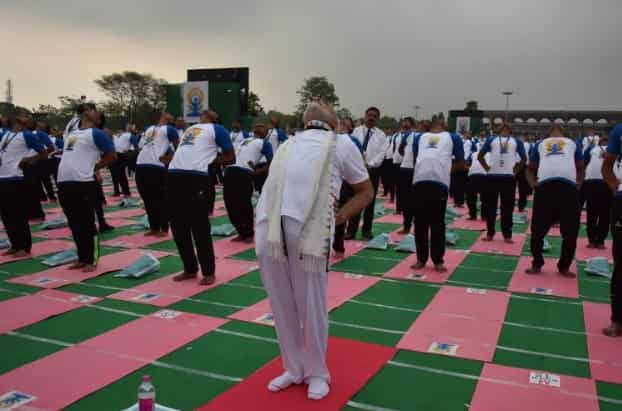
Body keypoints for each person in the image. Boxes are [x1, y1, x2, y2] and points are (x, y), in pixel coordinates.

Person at [255, 102, 372, 400]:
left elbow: (365, 191)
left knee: (312, 304)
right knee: (281, 304)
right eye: (312, 107)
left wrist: (341, 216)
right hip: (269, 227)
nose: (315, 108)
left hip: (310, 231)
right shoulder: (287, 144)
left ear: (333, 121)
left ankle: (318, 372)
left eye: (322, 108)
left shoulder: (342, 143)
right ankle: (293, 368)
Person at [167, 110, 235, 286]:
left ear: (215, 118)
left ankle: (208, 271)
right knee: (177, 226)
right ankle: (189, 268)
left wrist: (210, 160)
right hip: (174, 176)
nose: (206, 111)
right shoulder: (191, 128)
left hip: (196, 179)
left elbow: (230, 157)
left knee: (199, 226)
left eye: (211, 111)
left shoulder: (217, 129)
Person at [57, 106, 116, 272]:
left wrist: (93, 167)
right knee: (74, 223)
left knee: (87, 223)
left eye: (95, 111)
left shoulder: (96, 133)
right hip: (64, 183)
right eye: (91, 109)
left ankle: (92, 259)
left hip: (83, 183)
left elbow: (112, 156)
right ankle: (82, 257)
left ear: (97, 119)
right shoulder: (72, 133)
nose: (93, 111)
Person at [525, 124, 584, 277]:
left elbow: (580, 166)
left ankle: (564, 265)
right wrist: (533, 184)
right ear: (549, 133)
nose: (556, 129)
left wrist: (578, 183)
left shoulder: (572, 143)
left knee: (571, 230)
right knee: (537, 229)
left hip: (568, 188)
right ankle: (537, 262)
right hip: (545, 187)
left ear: (563, 133)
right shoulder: (540, 144)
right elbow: (530, 168)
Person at [411, 118, 465, 272]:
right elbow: (417, 158)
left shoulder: (453, 137)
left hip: (439, 184)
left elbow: (460, 162)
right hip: (420, 181)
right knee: (420, 223)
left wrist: (444, 172)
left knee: (437, 224)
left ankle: (437, 260)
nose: (438, 124)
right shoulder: (419, 137)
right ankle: (421, 259)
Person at [0, 113, 47, 257]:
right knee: (6, 215)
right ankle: (14, 244)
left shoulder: (28, 135)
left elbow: (44, 152)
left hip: (16, 178)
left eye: (27, 116)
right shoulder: (6, 135)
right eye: (22, 115)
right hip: (2, 178)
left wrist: (28, 159)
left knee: (18, 214)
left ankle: (24, 246)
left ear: (29, 122)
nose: (24, 117)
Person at [224, 120, 273, 243]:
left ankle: (249, 233)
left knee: (243, 204)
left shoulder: (264, 143)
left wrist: (258, 172)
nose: (258, 128)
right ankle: (241, 231)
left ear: (266, 132)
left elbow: (272, 161)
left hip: (244, 173)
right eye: (256, 126)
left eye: (261, 126)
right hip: (230, 170)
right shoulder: (244, 140)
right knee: (230, 204)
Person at [478, 124, 527, 242]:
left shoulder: (516, 142)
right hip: (493, 176)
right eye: (502, 128)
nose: (503, 129)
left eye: (505, 128)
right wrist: (487, 169)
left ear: (510, 131)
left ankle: (507, 235)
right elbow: (480, 156)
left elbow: (524, 158)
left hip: (507, 177)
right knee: (492, 207)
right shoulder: (492, 139)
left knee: (507, 208)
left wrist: (515, 171)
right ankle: (491, 233)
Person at [136, 113, 179, 237]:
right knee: (147, 198)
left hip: (156, 167)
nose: (169, 119)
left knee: (159, 198)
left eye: (171, 118)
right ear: (161, 117)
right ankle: (154, 227)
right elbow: (142, 146)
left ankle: (164, 228)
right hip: (141, 164)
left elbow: (179, 147)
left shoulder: (169, 129)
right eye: (167, 117)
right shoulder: (149, 129)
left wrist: (170, 158)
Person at [349, 107, 387, 239]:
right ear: (365, 116)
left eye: (374, 116)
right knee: (354, 200)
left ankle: (367, 230)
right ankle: (351, 231)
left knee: (370, 202)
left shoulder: (381, 135)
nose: (371, 118)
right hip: (356, 170)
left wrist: (370, 164)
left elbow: (382, 153)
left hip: (372, 171)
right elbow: (350, 148)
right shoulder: (355, 131)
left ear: (377, 119)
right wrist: (358, 164)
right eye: (369, 115)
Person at [602, 123, 622, 336]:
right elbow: (607, 166)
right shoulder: (619, 131)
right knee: (620, 262)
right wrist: (614, 186)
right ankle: (617, 320)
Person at [333, 116, 363, 256]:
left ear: (351, 128)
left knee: (346, 210)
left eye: (346, 124)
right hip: (335, 181)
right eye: (341, 123)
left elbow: (359, 162)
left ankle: (343, 240)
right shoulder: (330, 139)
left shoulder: (354, 141)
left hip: (349, 181)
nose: (343, 125)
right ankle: (335, 245)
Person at [396, 121, 428, 234]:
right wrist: (408, 158)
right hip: (407, 169)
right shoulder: (408, 135)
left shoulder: (425, 137)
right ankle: (407, 226)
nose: (420, 127)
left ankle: (415, 226)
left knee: (417, 200)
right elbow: (400, 148)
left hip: (415, 169)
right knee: (407, 200)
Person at [583, 136, 611, 248]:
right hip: (606, 182)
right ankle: (600, 241)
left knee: (592, 213)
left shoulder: (591, 149)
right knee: (605, 214)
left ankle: (591, 240)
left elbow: (583, 162)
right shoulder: (614, 149)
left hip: (591, 182)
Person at [110, 125, 134, 197]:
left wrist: (127, 153)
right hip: (113, 155)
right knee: (114, 176)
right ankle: (117, 191)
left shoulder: (128, 136)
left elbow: (134, 147)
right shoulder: (114, 137)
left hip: (120, 156)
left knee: (121, 175)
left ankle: (126, 192)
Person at [466, 145, 489, 220]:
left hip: (473, 176)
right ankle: (484, 216)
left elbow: (467, 164)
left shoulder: (473, 154)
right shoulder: (490, 154)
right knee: (485, 198)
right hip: (484, 176)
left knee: (471, 198)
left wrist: (470, 169)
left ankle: (473, 215)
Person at [449, 131, 472, 208]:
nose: (468, 135)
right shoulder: (456, 140)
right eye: (467, 133)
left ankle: (461, 201)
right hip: (455, 161)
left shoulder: (469, 142)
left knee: (462, 183)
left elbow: (471, 152)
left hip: (464, 162)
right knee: (455, 182)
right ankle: (456, 200)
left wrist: (467, 162)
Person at [381, 127, 397, 202]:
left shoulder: (394, 138)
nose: (387, 130)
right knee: (384, 177)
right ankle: (385, 192)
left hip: (391, 160)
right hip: (384, 159)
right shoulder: (385, 138)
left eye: (389, 130)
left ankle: (392, 197)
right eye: (387, 129)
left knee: (391, 179)